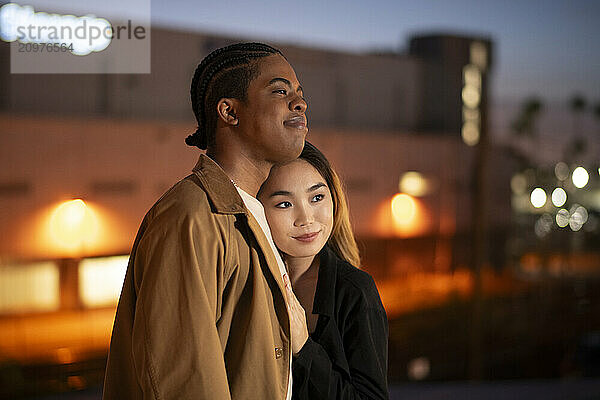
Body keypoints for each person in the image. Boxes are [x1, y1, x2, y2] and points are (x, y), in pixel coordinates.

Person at [103, 42, 308, 400]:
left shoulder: (249, 212)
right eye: (280, 91)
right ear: (229, 111)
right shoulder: (191, 216)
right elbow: (182, 379)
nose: (300, 103)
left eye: (299, 93)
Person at [258, 142, 389, 399]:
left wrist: (304, 347)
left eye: (317, 197)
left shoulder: (355, 291)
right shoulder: (249, 280)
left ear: (333, 198)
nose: (306, 218)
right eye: (284, 204)